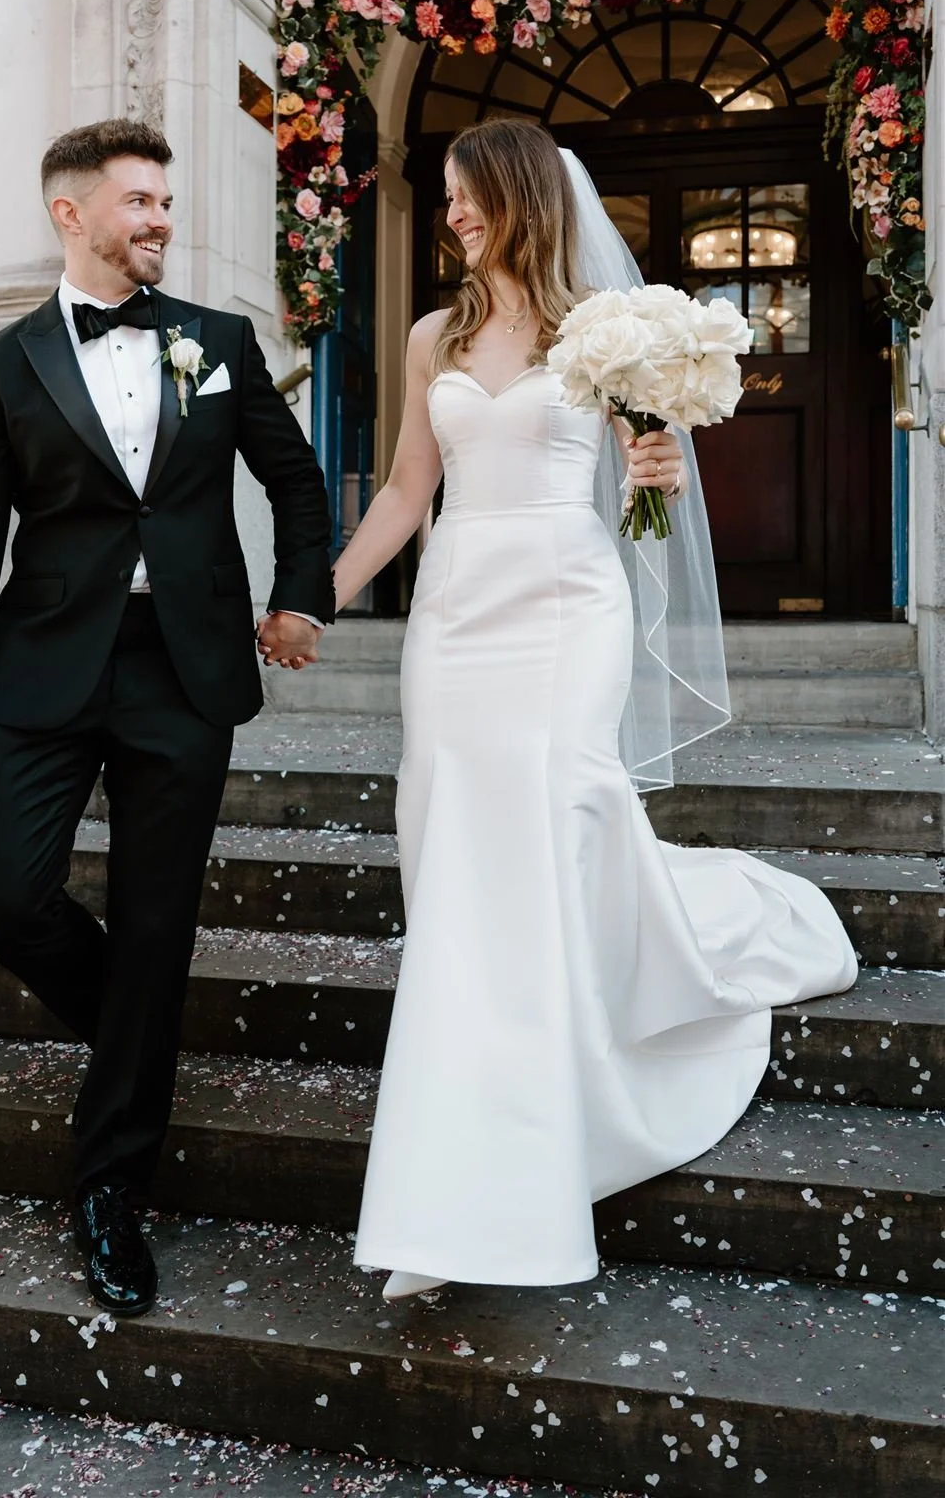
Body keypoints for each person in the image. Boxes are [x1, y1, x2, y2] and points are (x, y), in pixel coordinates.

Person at [333, 116, 857, 1299]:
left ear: (519, 196)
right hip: (458, 614)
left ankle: (543, 1099)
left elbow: (650, 502)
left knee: (563, 803)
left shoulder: (609, 332)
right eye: (449, 199)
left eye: (468, 197)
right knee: (457, 844)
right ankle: (482, 1100)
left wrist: (662, 473)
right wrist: (313, 596)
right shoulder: (433, 336)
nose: (454, 215)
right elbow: (411, 487)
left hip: (571, 607)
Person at [0, 118, 332, 1316]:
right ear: (72, 214)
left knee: (157, 924)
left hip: (183, 670)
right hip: (36, 669)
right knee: (1, 897)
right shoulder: (2, 364)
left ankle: (109, 1189)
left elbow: (293, 479)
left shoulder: (217, 340)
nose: (160, 218)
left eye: (163, 199)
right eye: (139, 201)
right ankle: (139, 1036)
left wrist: (300, 594)